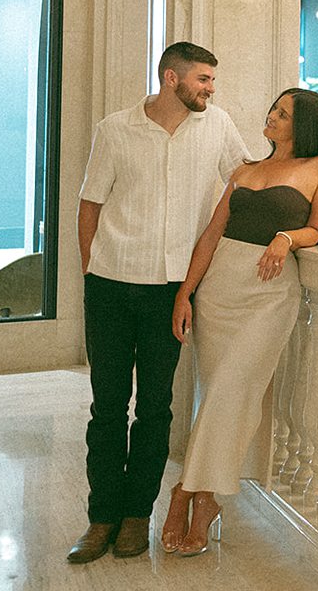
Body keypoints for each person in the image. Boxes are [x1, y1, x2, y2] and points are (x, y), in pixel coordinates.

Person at [66, 42, 250, 564]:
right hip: (108, 284)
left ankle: (134, 519)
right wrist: (90, 271)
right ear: (172, 78)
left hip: (171, 292)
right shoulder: (116, 128)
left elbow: (247, 179)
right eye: (203, 80)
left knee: (154, 409)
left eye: (212, 80)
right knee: (106, 407)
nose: (211, 89)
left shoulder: (217, 126)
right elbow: (90, 202)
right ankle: (100, 519)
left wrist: (308, 215)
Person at [162, 87, 318, 556]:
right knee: (219, 394)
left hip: (268, 293)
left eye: (283, 114)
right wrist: (186, 292)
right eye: (273, 110)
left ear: (303, 126)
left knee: (231, 391)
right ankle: (207, 499)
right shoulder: (245, 170)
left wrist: (286, 237)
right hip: (219, 288)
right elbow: (212, 233)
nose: (272, 116)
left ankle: (184, 490)